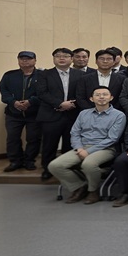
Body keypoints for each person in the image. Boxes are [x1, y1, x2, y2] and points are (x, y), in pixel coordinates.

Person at [49, 86, 125, 204]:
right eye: (97, 95)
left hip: (105, 149)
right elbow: (75, 133)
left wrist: (88, 151)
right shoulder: (83, 113)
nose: (101, 97)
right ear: (91, 99)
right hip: (81, 147)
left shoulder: (119, 115)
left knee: (88, 164)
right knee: (55, 165)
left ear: (111, 98)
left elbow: (112, 139)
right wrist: (79, 148)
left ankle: (93, 191)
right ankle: (79, 187)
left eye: (105, 94)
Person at [36, 48, 83, 180]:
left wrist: (71, 104)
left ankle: (68, 168)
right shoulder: (44, 74)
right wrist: (60, 104)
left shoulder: (80, 74)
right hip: (51, 114)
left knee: (70, 144)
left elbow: (82, 93)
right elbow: (42, 93)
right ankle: (47, 169)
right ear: (54, 59)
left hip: (73, 115)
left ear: (71, 59)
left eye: (65, 56)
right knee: (49, 144)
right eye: (58, 56)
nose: (61, 58)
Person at [0, 51, 41, 172]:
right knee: (12, 138)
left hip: (34, 113)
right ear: (18, 60)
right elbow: (4, 91)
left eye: (28, 58)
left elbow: (45, 93)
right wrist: (13, 102)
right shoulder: (9, 75)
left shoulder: (43, 75)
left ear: (35, 60)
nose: (25, 61)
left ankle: (29, 161)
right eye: (22, 58)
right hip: (13, 113)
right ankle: (15, 161)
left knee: (33, 138)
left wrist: (31, 102)